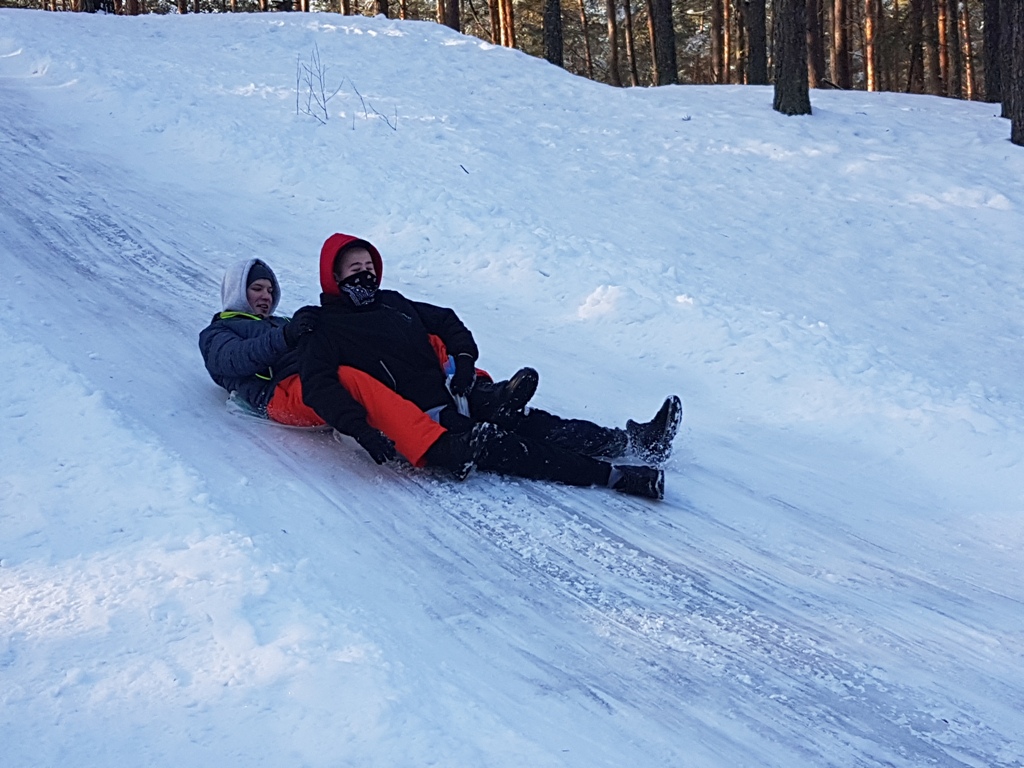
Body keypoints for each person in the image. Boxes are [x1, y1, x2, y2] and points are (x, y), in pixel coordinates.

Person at [296, 233, 682, 500]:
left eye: (369, 265)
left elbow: (446, 320)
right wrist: (362, 430)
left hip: (453, 391)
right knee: (512, 447)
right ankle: (619, 478)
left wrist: (465, 361)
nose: (365, 273)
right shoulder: (326, 327)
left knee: (535, 423)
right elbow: (319, 387)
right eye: (354, 268)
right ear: (334, 276)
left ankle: (632, 442)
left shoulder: (393, 302)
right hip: (424, 417)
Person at [199, 257, 499, 469]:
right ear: (236, 291)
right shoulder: (218, 332)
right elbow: (235, 359)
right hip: (283, 392)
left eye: (269, 290)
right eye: (257, 289)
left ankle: (482, 393)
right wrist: (287, 336)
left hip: (314, 375)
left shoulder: (282, 321)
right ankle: (438, 445)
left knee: (413, 339)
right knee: (349, 379)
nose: (265, 296)